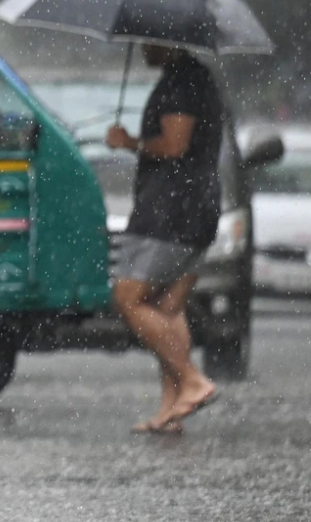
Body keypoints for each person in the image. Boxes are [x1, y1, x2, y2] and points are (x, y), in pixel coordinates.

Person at [105, 43, 223, 435]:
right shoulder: (198, 78)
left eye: (148, 41)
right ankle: (172, 409)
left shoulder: (181, 84)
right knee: (168, 308)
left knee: (128, 298)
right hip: (198, 208)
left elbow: (174, 145)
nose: (141, 48)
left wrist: (129, 143)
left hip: (170, 212)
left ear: (169, 41)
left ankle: (193, 380)